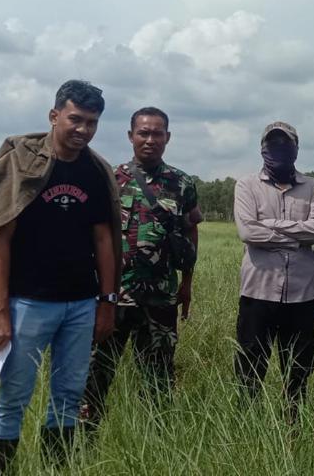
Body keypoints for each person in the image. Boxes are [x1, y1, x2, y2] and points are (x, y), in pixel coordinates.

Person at [0, 80, 120, 474]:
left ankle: (56, 469)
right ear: (54, 116)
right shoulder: (23, 165)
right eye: (75, 119)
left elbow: (104, 239)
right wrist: (0, 309)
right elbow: (0, 236)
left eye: (92, 122)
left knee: (68, 395)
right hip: (28, 302)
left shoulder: (95, 171)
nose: (83, 129)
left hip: (81, 303)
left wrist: (107, 301)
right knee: (14, 396)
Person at [80, 107, 202, 426]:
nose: (150, 140)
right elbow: (93, 235)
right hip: (112, 298)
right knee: (95, 375)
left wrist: (187, 282)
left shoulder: (182, 183)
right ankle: (84, 440)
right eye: (143, 133)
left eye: (157, 133)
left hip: (160, 298)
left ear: (168, 137)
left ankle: (155, 440)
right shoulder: (110, 179)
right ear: (130, 136)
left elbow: (191, 229)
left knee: (158, 380)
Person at [232, 121, 314, 417]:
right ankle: (248, 423)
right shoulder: (246, 185)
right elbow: (248, 232)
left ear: (296, 149)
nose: (279, 149)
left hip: (301, 295)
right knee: (250, 366)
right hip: (258, 292)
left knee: (298, 368)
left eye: (286, 144)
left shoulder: (313, 186)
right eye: (273, 144)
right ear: (262, 148)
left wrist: (270, 225)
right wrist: (297, 237)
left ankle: (292, 424)